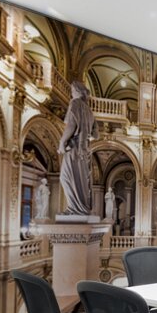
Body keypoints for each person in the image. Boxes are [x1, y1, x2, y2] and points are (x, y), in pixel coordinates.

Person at [58, 81, 98, 216]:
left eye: (72, 90)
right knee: (81, 179)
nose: (71, 93)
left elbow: (71, 126)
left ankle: (75, 209)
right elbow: (96, 135)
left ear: (77, 91)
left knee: (65, 177)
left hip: (74, 148)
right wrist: (84, 137)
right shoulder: (90, 112)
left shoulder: (75, 103)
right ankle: (80, 208)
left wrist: (62, 142)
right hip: (84, 149)